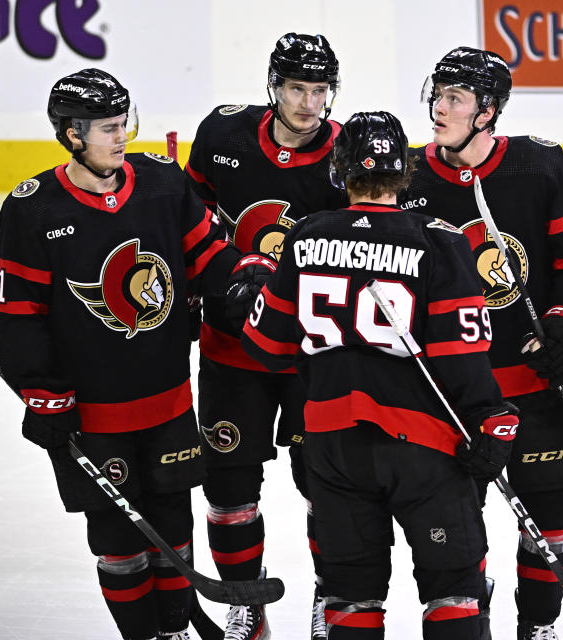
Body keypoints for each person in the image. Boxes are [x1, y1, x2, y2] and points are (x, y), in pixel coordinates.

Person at [236, 110, 517, 640]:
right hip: (425, 451)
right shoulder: (441, 241)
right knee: (453, 589)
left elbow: (268, 348)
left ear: (340, 171)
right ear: (405, 172)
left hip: (331, 447)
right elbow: (460, 357)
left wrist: (255, 285)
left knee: (350, 595)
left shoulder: (305, 238)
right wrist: (490, 418)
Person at [0, 68, 244, 640]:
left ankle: (175, 629)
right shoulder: (33, 209)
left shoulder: (160, 181)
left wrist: (244, 280)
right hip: (93, 415)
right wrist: (41, 390)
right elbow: (16, 314)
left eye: (124, 121)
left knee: (174, 525)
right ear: (73, 134)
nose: (122, 135)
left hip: (169, 401)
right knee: (118, 540)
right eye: (107, 127)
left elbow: (205, 255)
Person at [401, 47, 563, 640]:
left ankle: (538, 626)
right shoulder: (410, 177)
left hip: (535, 387)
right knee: (457, 521)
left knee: (548, 514)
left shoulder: (538, 167)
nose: (439, 109)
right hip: (452, 394)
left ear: (487, 112)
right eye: (437, 95)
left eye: (455, 100)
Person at [184, 32, 347, 640]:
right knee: (229, 489)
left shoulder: (346, 151)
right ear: (273, 88)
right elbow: (190, 221)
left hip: (313, 354)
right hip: (233, 351)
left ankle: (330, 599)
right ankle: (244, 603)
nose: (308, 103)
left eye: (319, 89)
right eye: (296, 88)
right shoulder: (222, 136)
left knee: (327, 486)